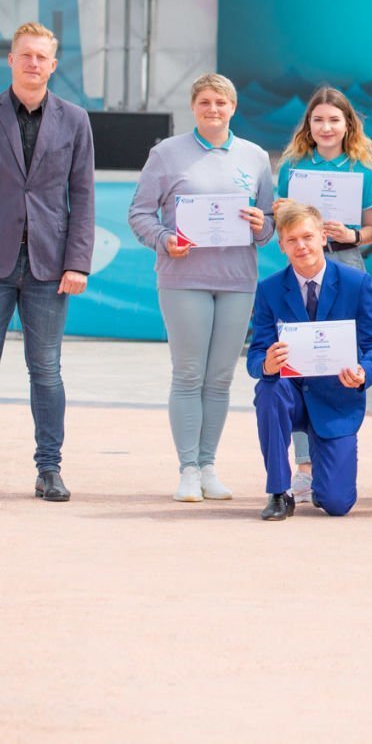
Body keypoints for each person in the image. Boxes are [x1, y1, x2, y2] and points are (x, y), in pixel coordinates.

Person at [0, 21, 95, 503]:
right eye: (25, 55)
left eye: (41, 57)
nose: (33, 63)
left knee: (46, 370)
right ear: (11, 60)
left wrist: (78, 263)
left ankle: (49, 470)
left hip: (50, 266)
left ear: (54, 65)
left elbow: (83, 197)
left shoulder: (75, 120)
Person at [128, 73, 275, 503]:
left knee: (221, 378)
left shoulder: (255, 157)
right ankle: (188, 469)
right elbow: (140, 214)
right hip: (184, 279)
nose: (213, 109)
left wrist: (260, 224)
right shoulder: (166, 153)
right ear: (193, 107)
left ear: (233, 108)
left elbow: (268, 226)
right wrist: (164, 240)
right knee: (189, 373)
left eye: (221, 103)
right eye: (205, 102)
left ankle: (209, 465)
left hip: (237, 281)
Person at [246, 203, 372, 520]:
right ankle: (279, 491)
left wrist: (363, 372)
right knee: (269, 390)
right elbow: (256, 354)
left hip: (336, 398)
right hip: (291, 395)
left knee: (337, 504)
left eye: (307, 237)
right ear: (282, 245)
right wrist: (266, 365)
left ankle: (322, 480)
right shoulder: (269, 290)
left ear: (323, 236)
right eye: (292, 240)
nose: (301, 246)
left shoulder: (356, 283)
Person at [271, 86, 372, 504]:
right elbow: (283, 223)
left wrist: (351, 235)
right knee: (299, 362)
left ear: (348, 125)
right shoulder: (293, 167)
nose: (326, 127)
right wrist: (282, 212)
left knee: (337, 361)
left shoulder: (363, 171)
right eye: (318, 120)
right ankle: (303, 468)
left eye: (334, 120)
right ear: (308, 125)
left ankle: (334, 448)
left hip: (346, 263)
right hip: (301, 266)